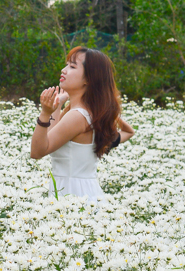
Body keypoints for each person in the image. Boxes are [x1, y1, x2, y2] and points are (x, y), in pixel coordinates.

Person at [30, 47, 135, 202]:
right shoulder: (84, 113)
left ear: (89, 79)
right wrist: (56, 105)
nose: (64, 70)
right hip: (81, 192)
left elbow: (37, 152)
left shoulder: (78, 116)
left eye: (72, 67)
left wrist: (45, 114)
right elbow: (49, 141)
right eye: (66, 65)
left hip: (73, 196)